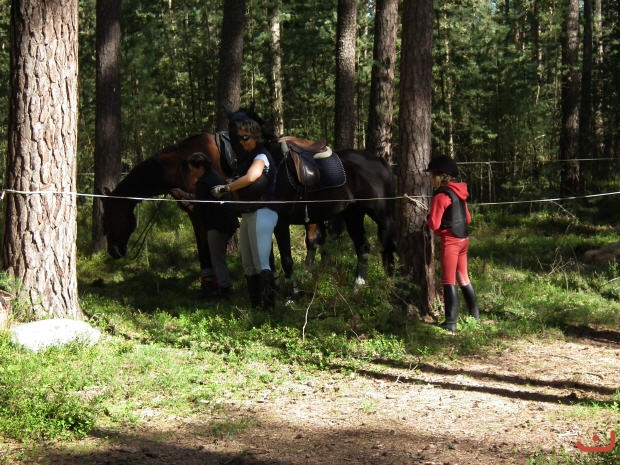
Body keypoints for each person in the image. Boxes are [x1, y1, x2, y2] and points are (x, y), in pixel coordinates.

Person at [210, 118, 279, 310]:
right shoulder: (246, 158)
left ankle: (269, 307)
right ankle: (255, 305)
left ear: (255, 136)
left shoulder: (261, 155)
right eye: (240, 138)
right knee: (248, 262)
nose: (242, 141)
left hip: (264, 210)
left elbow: (251, 177)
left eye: (245, 137)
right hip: (248, 212)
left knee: (262, 261)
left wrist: (226, 188)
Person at [171, 152, 239, 299]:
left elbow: (200, 209)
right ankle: (223, 285)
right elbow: (205, 198)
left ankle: (224, 289)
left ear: (200, 167)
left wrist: (186, 204)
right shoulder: (213, 176)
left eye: (192, 169)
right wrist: (185, 194)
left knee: (217, 259)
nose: (191, 173)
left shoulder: (203, 182)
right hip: (228, 222)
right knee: (219, 257)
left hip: (217, 224)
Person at [425, 155, 480, 333]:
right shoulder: (459, 193)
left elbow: (434, 224)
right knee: (463, 277)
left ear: (440, 176)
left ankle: (450, 322)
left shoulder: (441, 196)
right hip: (464, 240)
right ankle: (475, 317)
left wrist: (429, 219)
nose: (430, 178)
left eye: (432, 175)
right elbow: (468, 219)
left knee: (448, 280)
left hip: (451, 242)